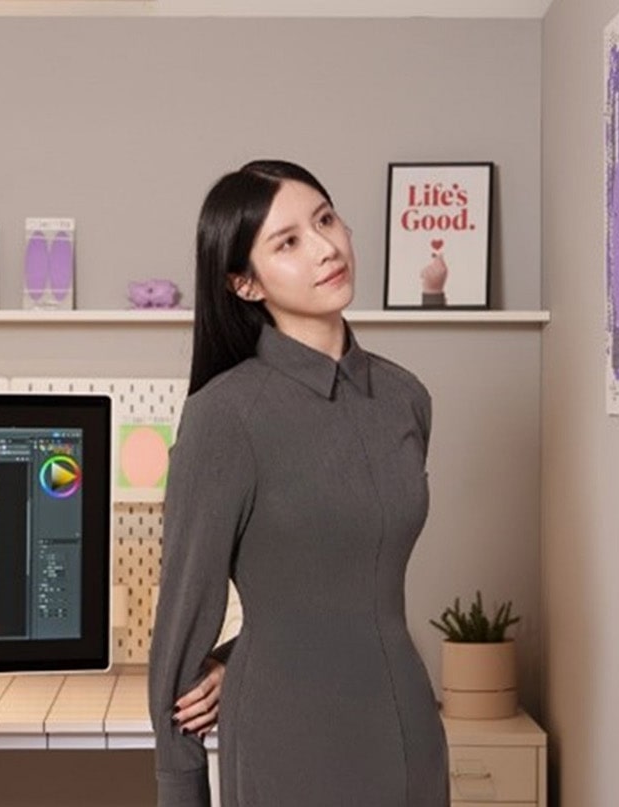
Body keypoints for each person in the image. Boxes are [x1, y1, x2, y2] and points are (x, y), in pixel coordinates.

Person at [149, 159, 449, 807]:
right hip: (289, 740)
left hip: (405, 718)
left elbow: (345, 575)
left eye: (325, 219)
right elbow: (181, 616)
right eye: (288, 241)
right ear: (246, 283)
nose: (325, 247)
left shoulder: (406, 399)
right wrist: (181, 788)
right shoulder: (224, 416)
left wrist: (240, 652)